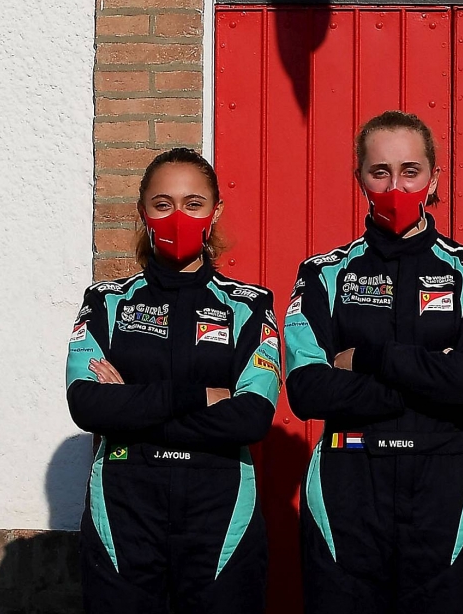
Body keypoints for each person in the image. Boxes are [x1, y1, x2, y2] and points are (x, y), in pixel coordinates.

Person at [284, 110, 463, 614]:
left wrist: (368, 358)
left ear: (434, 179)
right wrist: (431, 377)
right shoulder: (322, 273)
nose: (395, 187)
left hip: (443, 482)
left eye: (410, 171)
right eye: (379, 172)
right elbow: (307, 390)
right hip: (347, 479)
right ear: (359, 179)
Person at [66, 147, 279, 613]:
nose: (178, 216)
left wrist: (131, 405)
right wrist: (204, 396)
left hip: (220, 504)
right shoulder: (106, 301)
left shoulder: (250, 305)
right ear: (143, 212)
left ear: (215, 211)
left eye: (193, 203)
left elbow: (251, 418)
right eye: (162, 204)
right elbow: (87, 404)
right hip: (124, 500)